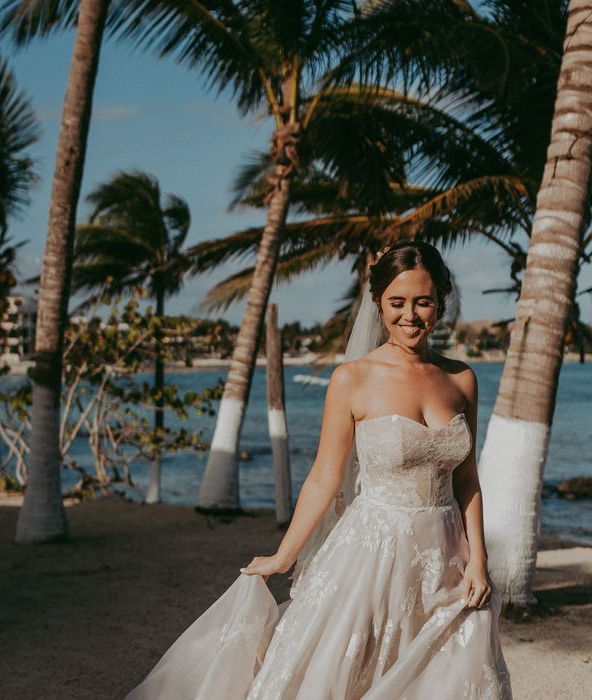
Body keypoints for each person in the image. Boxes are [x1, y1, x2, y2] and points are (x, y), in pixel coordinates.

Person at [126, 240, 512, 699]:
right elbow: (324, 478)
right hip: (373, 556)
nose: (410, 315)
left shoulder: (461, 378)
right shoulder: (352, 379)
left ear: (440, 303)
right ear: (379, 304)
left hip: (449, 559)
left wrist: (480, 563)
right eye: (397, 303)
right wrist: (283, 556)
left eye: (423, 302)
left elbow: (467, 480)